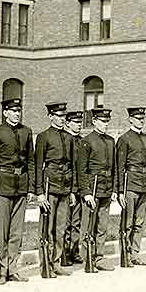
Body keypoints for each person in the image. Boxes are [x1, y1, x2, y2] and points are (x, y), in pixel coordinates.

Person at [0, 97, 34, 284]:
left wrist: (30, 188)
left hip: (21, 185)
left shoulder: (26, 132)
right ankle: (2, 269)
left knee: (17, 232)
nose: (17, 114)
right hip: (3, 186)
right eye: (13, 111)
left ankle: (13, 269)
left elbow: (30, 161)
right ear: (5, 112)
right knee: (2, 231)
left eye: (19, 111)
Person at [33, 101, 75, 278]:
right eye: (58, 116)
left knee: (60, 228)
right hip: (49, 187)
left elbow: (72, 165)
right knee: (47, 228)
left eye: (63, 116)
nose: (61, 119)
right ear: (50, 117)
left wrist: (72, 190)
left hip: (64, 187)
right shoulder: (44, 137)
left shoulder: (69, 137)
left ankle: (56, 262)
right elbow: (37, 166)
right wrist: (40, 192)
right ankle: (45, 264)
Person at [115, 106, 146, 267]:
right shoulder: (124, 139)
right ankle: (125, 254)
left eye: (142, 118)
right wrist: (119, 191)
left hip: (145, 183)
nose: (141, 121)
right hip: (130, 184)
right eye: (138, 118)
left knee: (139, 223)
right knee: (128, 223)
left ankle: (135, 254)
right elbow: (119, 166)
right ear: (131, 119)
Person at [77, 107, 116, 272]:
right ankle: (87, 258)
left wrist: (114, 189)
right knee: (89, 225)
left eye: (107, 121)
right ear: (94, 122)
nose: (105, 124)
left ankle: (99, 257)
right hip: (92, 189)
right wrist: (85, 193)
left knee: (102, 226)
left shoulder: (110, 141)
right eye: (102, 121)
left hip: (106, 188)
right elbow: (81, 170)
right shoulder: (86, 141)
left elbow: (113, 168)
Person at [61, 108, 85, 266]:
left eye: (80, 123)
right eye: (75, 122)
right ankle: (64, 253)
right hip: (68, 188)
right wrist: (70, 190)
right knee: (65, 222)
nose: (78, 125)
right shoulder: (64, 139)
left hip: (79, 188)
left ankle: (74, 251)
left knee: (76, 223)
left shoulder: (81, 141)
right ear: (68, 123)